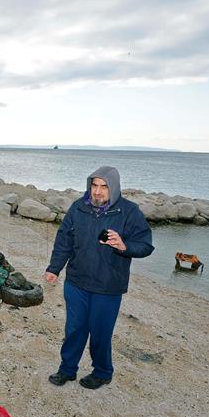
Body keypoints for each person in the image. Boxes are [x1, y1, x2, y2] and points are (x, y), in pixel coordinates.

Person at [44, 166, 153, 389]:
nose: (97, 192)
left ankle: (102, 372)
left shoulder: (129, 212)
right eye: (94, 185)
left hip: (108, 286)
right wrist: (54, 268)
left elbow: (145, 245)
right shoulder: (78, 208)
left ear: (113, 188)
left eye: (104, 187)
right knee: (74, 329)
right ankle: (67, 369)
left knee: (101, 333)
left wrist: (124, 245)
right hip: (76, 282)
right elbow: (64, 240)